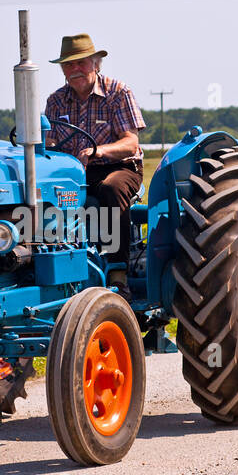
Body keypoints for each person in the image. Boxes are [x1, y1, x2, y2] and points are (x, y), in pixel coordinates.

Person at [44, 33, 145, 296]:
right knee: (40, 194)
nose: (74, 69)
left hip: (118, 167)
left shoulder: (117, 93)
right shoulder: (55, 101)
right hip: (74, 172)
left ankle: (118, 273)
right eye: (68, 64)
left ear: (96, 64)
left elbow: (130, 143)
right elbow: (49, 140)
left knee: (111, 189)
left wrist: (98, 150)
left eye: (81, 62)